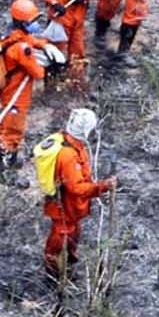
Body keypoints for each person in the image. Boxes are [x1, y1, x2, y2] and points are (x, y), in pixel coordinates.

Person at [41, 107, 114, 278]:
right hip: (64, 206)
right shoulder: (68, 155)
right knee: (61, 236)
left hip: (71, 207)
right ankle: (53, 272)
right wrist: (102, 187)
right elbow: (76, 188)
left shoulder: (74, 145)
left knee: (73, 232)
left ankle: (69, 261)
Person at [0, 0, 52, 168]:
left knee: (3, 124)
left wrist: (42, 45)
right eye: (33, 21)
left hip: (6, 89)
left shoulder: (12, 36)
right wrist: (46, 63)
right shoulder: (22, 49)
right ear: (24, 23)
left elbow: (29, 40)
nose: (35, 24)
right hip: (16, 94)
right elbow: (38, 73)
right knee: (13, 130)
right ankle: (6, 168)